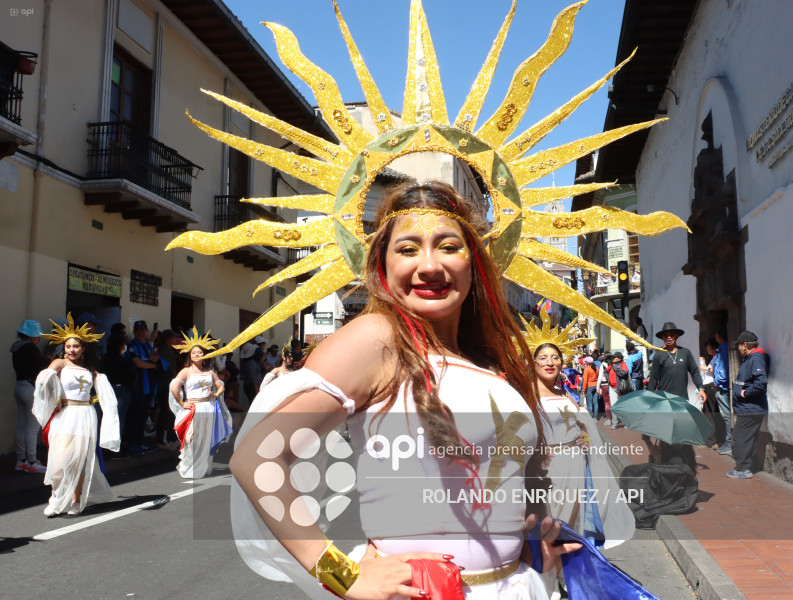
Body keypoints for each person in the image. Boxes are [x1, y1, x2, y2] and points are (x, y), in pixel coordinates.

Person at [229, 182, 581, 600]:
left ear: (475, 263)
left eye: (448, 246)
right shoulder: (378, 340)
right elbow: (256, 458)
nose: (430, 266)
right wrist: (343, 575)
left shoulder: (488, 360)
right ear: (382, 264)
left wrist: (531, 546)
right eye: (408, 249)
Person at [531, 338, 634, 550]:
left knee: (572, 523)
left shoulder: (565, 395)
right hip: (546, 469)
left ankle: (570, 574)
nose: (550, 362)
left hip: (575, 467)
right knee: (548, 522)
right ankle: (547, 575)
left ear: (561, 363)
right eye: (543, 358)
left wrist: (584, 441)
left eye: (555, 357)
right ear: (534, 363)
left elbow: (584, 427)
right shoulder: (526, 396)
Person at [33, 314, 120, 516]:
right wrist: (48, 390)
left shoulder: (90, 369)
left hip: (85, 416)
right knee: (60, 458)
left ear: (83, 349)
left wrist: (105, 409)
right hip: (65, 415)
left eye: (76, 346)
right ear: (64, 347)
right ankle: (56, 499)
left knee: (79, 459)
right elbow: (44, 380)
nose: (72, 350)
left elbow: (104, 391)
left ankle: (76, 500)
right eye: (69, 346)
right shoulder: (59, 364)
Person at [168, 328, 232, 479]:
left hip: (208, 407)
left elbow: (220, 385)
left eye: (200, 352)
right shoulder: (186, 371)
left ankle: (201, 467)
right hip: (193, 408)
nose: (197, 354)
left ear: (205, 354)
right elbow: (174, 387)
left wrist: (216, 394)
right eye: (194, 352)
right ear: (190, 355)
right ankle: (189, 465)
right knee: (191, 438)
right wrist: (181, 402)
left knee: (205, 438)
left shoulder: (210, 372)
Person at [646, 322, 706, 473]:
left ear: (677, 336)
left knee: (680, 436)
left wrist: (701, 388)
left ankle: (683, 466)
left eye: (672, 335)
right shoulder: (659, 355)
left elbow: (694, 371)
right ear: (663, 338)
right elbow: (653, 380)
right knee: (667, 436)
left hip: (681, 401)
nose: (669, 337)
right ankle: (667, 464)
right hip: (665, 402)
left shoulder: (685, 353)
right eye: (666, 335)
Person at [727, 331, 769, 479]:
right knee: (745, 438)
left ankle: (743, 469)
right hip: (749, 408)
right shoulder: (751, 358)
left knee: (740, 437)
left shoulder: (756, 358)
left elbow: (761, 382)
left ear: (744, 345)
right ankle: (745, 467)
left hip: (750, 408)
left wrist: (745, 393)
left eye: (739, 344)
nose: (738, 348)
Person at [12, 319, 48, 473]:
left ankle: (21, 460)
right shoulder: (31, 349)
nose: (39, 339)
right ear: (32, 336)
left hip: (19, 386)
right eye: (37, 336)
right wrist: (49, 360)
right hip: (30, 388)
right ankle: (32, 461)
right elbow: (40, 367)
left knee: (21, 425)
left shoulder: (16, 348)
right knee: (32, 427)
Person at [125, 320, 159, 456]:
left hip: (149, 388)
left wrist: (156, 360)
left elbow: (152, 359)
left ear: (146, 331)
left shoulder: (148, 346)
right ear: (134, 332)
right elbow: (138, 363)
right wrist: (154, 365)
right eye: (137, 330)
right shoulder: (131, 345)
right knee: (135, 417)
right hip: (137, 388)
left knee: (143, 417)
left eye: (142, 330)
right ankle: (132, 445)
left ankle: (140, 443)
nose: (140, 332)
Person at [100, 332, 136, 458]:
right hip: (120, 390)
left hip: (107, 391)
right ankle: (115, 449)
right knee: (119, 420)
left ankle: (105, 448)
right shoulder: (121, 360)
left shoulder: (104, 358)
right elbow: (127, 377)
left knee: (107, 419)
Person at [711, 331, 732, 455]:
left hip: (722, 387)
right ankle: (728, 441)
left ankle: (729, 442)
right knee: (726, 415)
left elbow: (723, 369)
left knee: (727, 415)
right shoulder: (722, 349)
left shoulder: (723, 348)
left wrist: (718, 382)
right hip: (722, 386)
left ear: (718, 336)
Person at [606, 352, 629, 430]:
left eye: (615, 357)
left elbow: (624, 373)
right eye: (613, 357)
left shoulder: (623, 365)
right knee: (613, 406)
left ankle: (626, 423)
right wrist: (608, 378)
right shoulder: (611, 366)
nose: (614, 359)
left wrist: (617, 369)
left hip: (621, 388)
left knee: (623, 406)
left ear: (620, 358)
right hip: (612, 388)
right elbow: (605, 371)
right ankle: (614, 423)